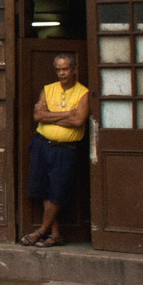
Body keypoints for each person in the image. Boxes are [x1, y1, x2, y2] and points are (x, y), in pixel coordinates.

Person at [23, 52, 90, 248]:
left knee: (57, 191)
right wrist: (67, 114)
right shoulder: (48, 89)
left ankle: (41, 231)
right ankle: (55, 234)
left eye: (65, 69)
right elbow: (38, 116)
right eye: (58, 69)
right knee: (45, 189)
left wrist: (50, 115)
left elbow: (78, 120)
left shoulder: (83, 93)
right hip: (43, 145)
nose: (61, 73)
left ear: (74, 69)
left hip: (65, 149)